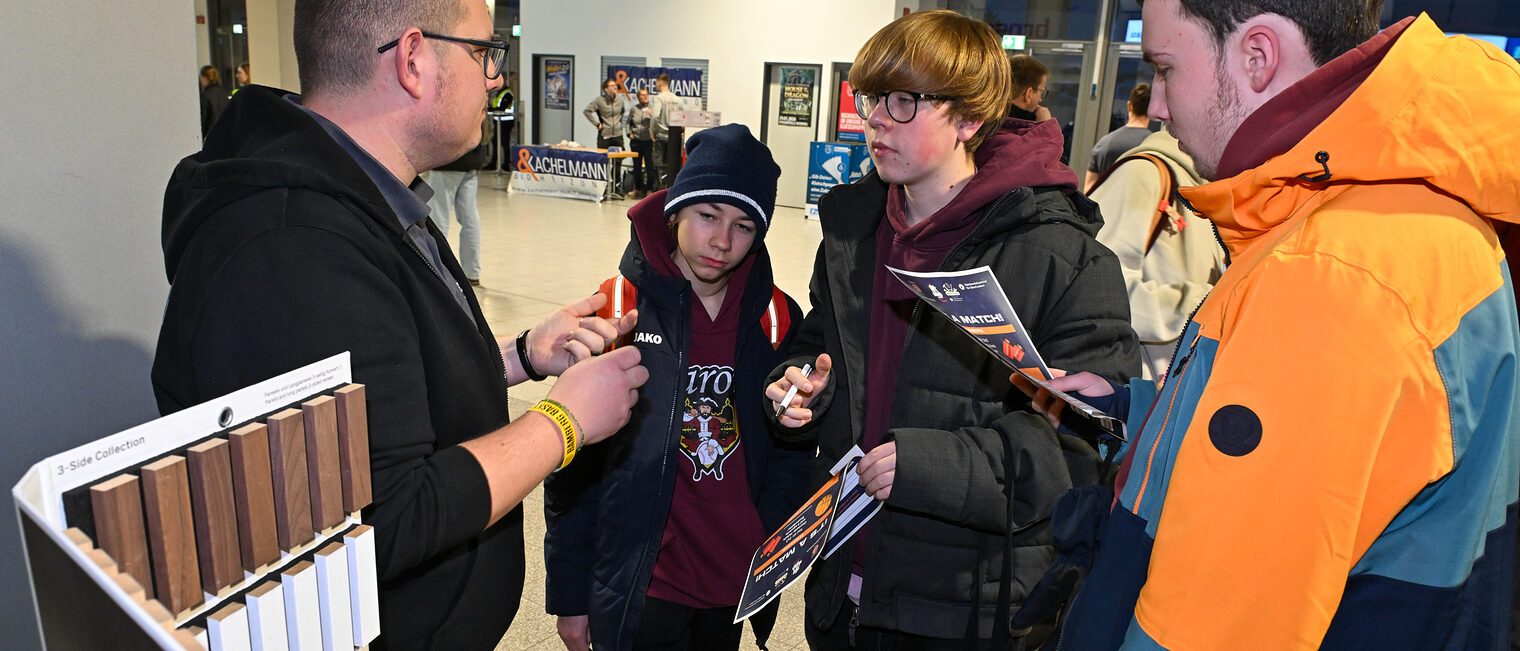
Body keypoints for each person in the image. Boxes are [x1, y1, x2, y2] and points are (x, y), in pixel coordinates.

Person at [151, 0, 650, 648]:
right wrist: (563, 421)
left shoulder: (364, 197)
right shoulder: (291, 246)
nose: (494, 75)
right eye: (481, 52)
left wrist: (519, 354)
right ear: (414, 59)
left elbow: (375, 384)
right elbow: (387, 514)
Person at [1022, 1, 1520, 648]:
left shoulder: (1334, 271)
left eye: (1167, 69)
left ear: (1258, 56)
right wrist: (1134, 410)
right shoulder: (1385, 209)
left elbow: (1217, 622)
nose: (1160, 105)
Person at [763, 10, 1139, 649]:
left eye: (904, 101)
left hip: (963, 605)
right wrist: (799, 385)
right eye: (871, 97)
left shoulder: (1062, 257)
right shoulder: (854, 232)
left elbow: (1087, 443)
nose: (876, 117)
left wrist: (930, 466)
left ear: (969, 119)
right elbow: (824, 341)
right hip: (840, 585)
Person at [544, 123, 811, 651]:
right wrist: (571, 596)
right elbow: (574, 471)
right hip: (644, 583)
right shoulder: (617, 309)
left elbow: (791, 451)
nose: (721, 241)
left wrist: (766, 536)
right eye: (707, 216)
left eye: (743, 226)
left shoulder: (777, 320)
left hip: (731, 584)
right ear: (675, 212)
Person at [1087, 128, 1223, 381]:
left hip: (1169, 394)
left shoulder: (1216, 189)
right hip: (1127, 393)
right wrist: (1206, 302)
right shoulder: (1142, 175)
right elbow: (1094, 294)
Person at [428, 115, 491, 285]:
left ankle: (436, 269)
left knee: (439, 218)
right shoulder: (478, 101)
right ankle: (472, 272)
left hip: (447, 163)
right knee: (470, 217)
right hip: (472, 161)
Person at [1083, 83, 1153, 192]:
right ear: (1152, 110)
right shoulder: (1154, 146)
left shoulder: (1104, 143)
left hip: (1104, 208)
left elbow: (1089, 190)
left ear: (1129, 105)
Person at [650, 73, 684, 189]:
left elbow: (655, 116)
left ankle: (659, 189)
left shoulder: (659, 98)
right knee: (671, 165)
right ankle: (670, 188)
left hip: (660, 136)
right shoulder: (678, 99)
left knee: (658, 165)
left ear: (659, 82)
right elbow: (683, 117)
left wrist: (652, 130)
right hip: (674, 138)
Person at [624, 87, 656, 199]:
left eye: (646, 94)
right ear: (638, 97)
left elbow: (658, 122)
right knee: (636, 166)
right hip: (636, 141)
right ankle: (637, 188)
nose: (645, 96)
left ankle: (649, 189)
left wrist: (652, 115)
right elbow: (628, 122)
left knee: (649, 166)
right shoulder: (634, 108)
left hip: (648, 141)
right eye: (642, 95)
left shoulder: (653, 108)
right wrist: (629, 133)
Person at [584, 78, 626, 151]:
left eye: (615, 85)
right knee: (603, 158)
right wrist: (597, 124)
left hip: (617, 134)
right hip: (605, 134)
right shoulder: (599, 100)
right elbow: (587, 111)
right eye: (612, 85)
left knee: (619, 158)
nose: (615, 87)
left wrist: (618, 123)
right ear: (606, 89)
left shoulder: (620, 100)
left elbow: (622, 112)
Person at [1007, 54, 1051, 122]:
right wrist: (1044, 126)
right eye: (1041, 93)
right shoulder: (1024, 127)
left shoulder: (989, 117)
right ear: (1028, 93)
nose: (1040, 100)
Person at [198, 65, 229, 138]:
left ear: (204, 78)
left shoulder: (205, 96)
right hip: (227, 134)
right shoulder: (225, 93)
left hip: (211, 136)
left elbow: (203, 119)